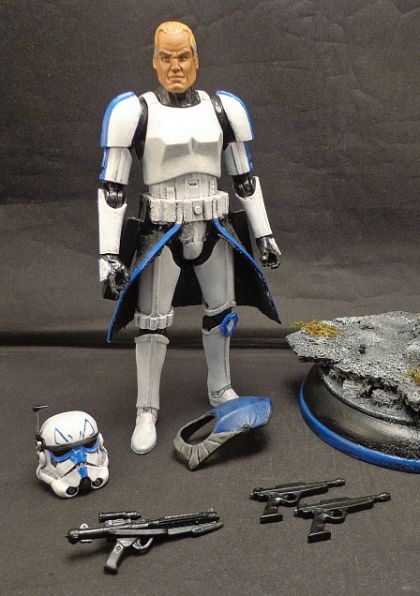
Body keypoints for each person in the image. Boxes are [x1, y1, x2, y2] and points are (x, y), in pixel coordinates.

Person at [97, 21, 281, 454]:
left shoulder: (223, 109)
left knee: (222, 313)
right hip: (162, 229)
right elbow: (112, 188)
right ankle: (147, 409)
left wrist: (264, 234)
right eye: (166, 57)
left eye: (183, 57)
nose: (175, 66)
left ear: (196, 60)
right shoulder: (134, 113)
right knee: (152, 322)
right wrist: (108, 254)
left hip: (213, 227)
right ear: (154, 62)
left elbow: (245, 178)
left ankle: (220, 388)